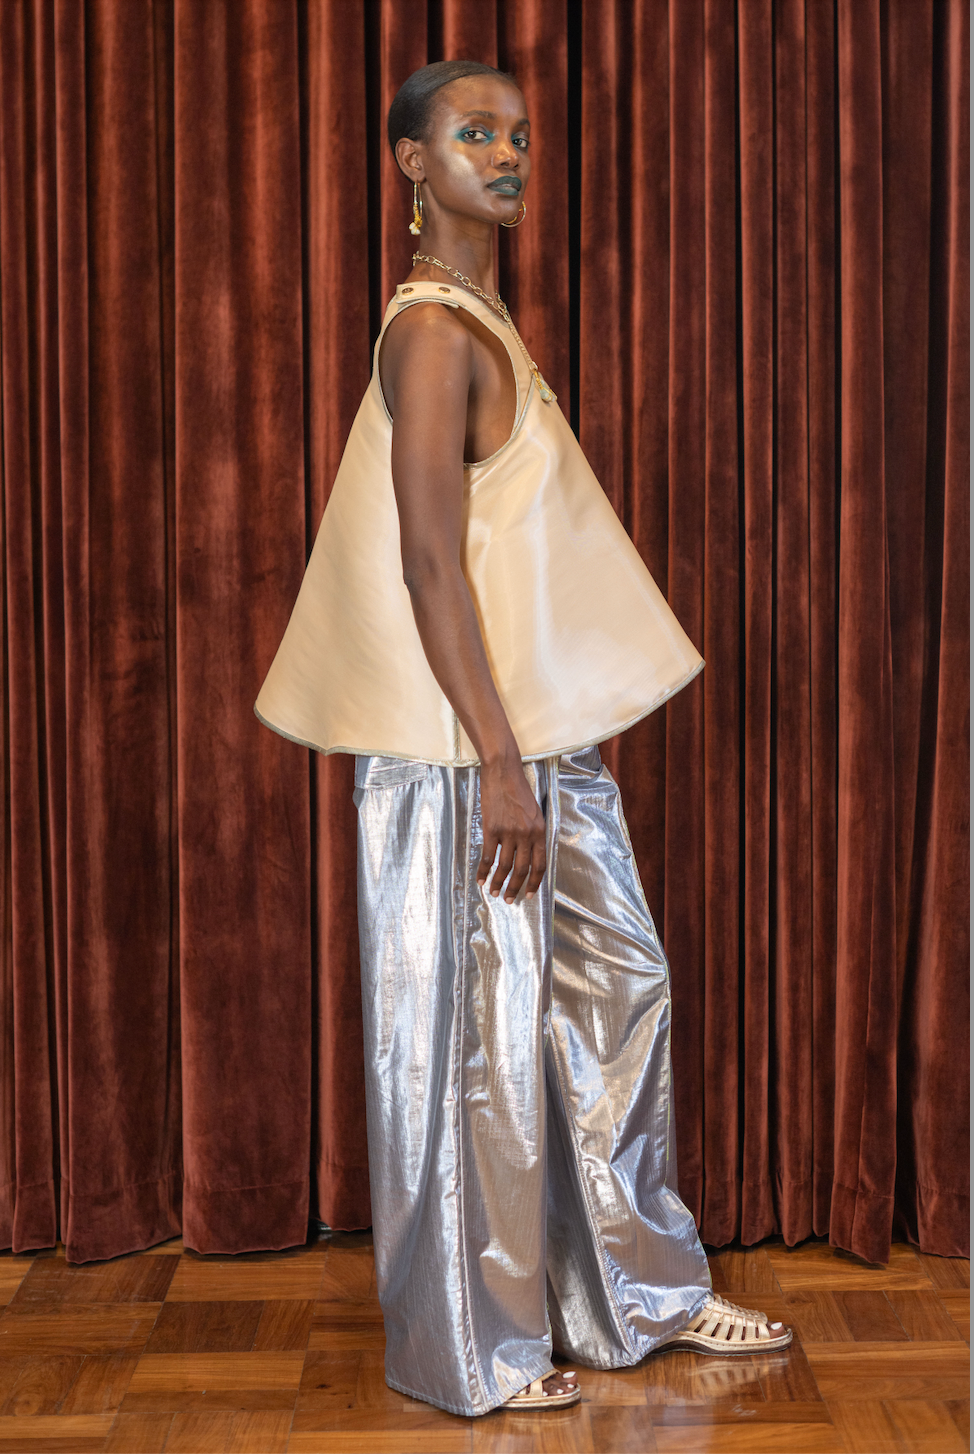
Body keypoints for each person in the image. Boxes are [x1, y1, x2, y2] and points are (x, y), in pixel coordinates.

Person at [256, 59, 791, 1419]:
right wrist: (496, 763)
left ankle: (637, 1292)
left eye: (519, 137)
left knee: (613, 995)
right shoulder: (433, 335)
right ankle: (472, 1348)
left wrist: (527, 756)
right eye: (473, 135)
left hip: (532, 743)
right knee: (473, 1052)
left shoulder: (481, 318)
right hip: (462, 756)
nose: (506, 157)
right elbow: (428, 561)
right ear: (411, 165)